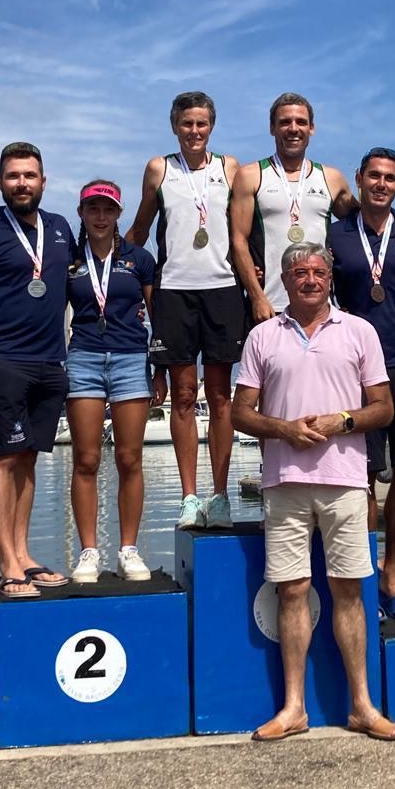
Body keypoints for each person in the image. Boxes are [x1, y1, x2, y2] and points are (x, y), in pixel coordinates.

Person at [232, 242, 395, 742]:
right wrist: (283, 430)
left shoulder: (360, 331)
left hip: (346, 480)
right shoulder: (262, 336)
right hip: (284, 482)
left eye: (318, 272)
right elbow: (240, 413)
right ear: (285, 279)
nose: (309, 279)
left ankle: (362, 706)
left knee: (350, 590)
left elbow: (384, 408)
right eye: (299, 272)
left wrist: (342, 420)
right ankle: (293, 708)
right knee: (292, 591)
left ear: (330, 278)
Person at [0, 142, 75, 598]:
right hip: (2, 360)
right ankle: (7, 564)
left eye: (29, 175)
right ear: (0, 182)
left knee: (28, 458)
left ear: (44, 181)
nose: (22, 183)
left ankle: (23, 553)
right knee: (3, 457)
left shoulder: (60, 228)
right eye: (13, 176)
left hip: (50, 362)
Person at [125, 92, 246, 529]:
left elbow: (247, 230)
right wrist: (109, 262)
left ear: (212, 126)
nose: (194, 131)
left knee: (220, 396)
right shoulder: (160, 168)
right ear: (174, 126)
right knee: (182, 396)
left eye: (202, 124)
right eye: (186, 124)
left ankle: (219, 495)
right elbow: (140, 227)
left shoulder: (230, 168)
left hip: (223, 289)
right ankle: (189, 497)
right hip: (173, 290)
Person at [330, 146, 395, 622]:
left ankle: (393, 574)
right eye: (373, 176)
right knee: (362, 478)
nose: (380, 184)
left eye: (389, 178)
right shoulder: (335, 234)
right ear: (359, 179)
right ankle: (366, 575)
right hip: (355, 370)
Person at [67, 180, 167, 583]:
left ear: (118, 215)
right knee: (87, 459)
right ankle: (89, 552)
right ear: (82, 214)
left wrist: (161, 368)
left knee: (129, 459)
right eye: (93, 209)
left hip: (130, 360)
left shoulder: (139, 259)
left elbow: (157, 314)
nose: (101, 217)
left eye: (108, 210)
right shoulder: (68, 262)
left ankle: (128, 549)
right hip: (84, 359)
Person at [230, 92, 356, 324]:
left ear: (312, 128)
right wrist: (257, 297)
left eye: (301, 122)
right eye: (285, 122)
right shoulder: (251, 175)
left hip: (321, 306)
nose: (293, 128)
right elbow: (238, 240)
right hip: (269, 305)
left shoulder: (332, 178)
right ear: (272, 128)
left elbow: (359, 226)